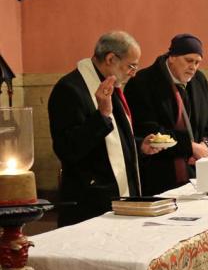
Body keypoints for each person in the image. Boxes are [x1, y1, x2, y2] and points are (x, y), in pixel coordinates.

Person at [48, 31, 159, 226]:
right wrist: (101, 116)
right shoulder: (69, 89)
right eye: (131, 66)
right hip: (91, 203)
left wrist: (140, 146)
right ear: (110, 59)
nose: (133, 73)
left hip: (118, 197)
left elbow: (113, 139)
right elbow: (67, 149)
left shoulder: (109, 85)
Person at [124, 33, 208, 195]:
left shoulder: (199, 80)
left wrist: (204, 145)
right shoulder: (142, 82)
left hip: (198, 171)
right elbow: (147, 129)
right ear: (172, 57)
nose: (193, 67)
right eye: (189, 60)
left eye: (197, 62)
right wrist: (189, 147)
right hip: (160, 175)